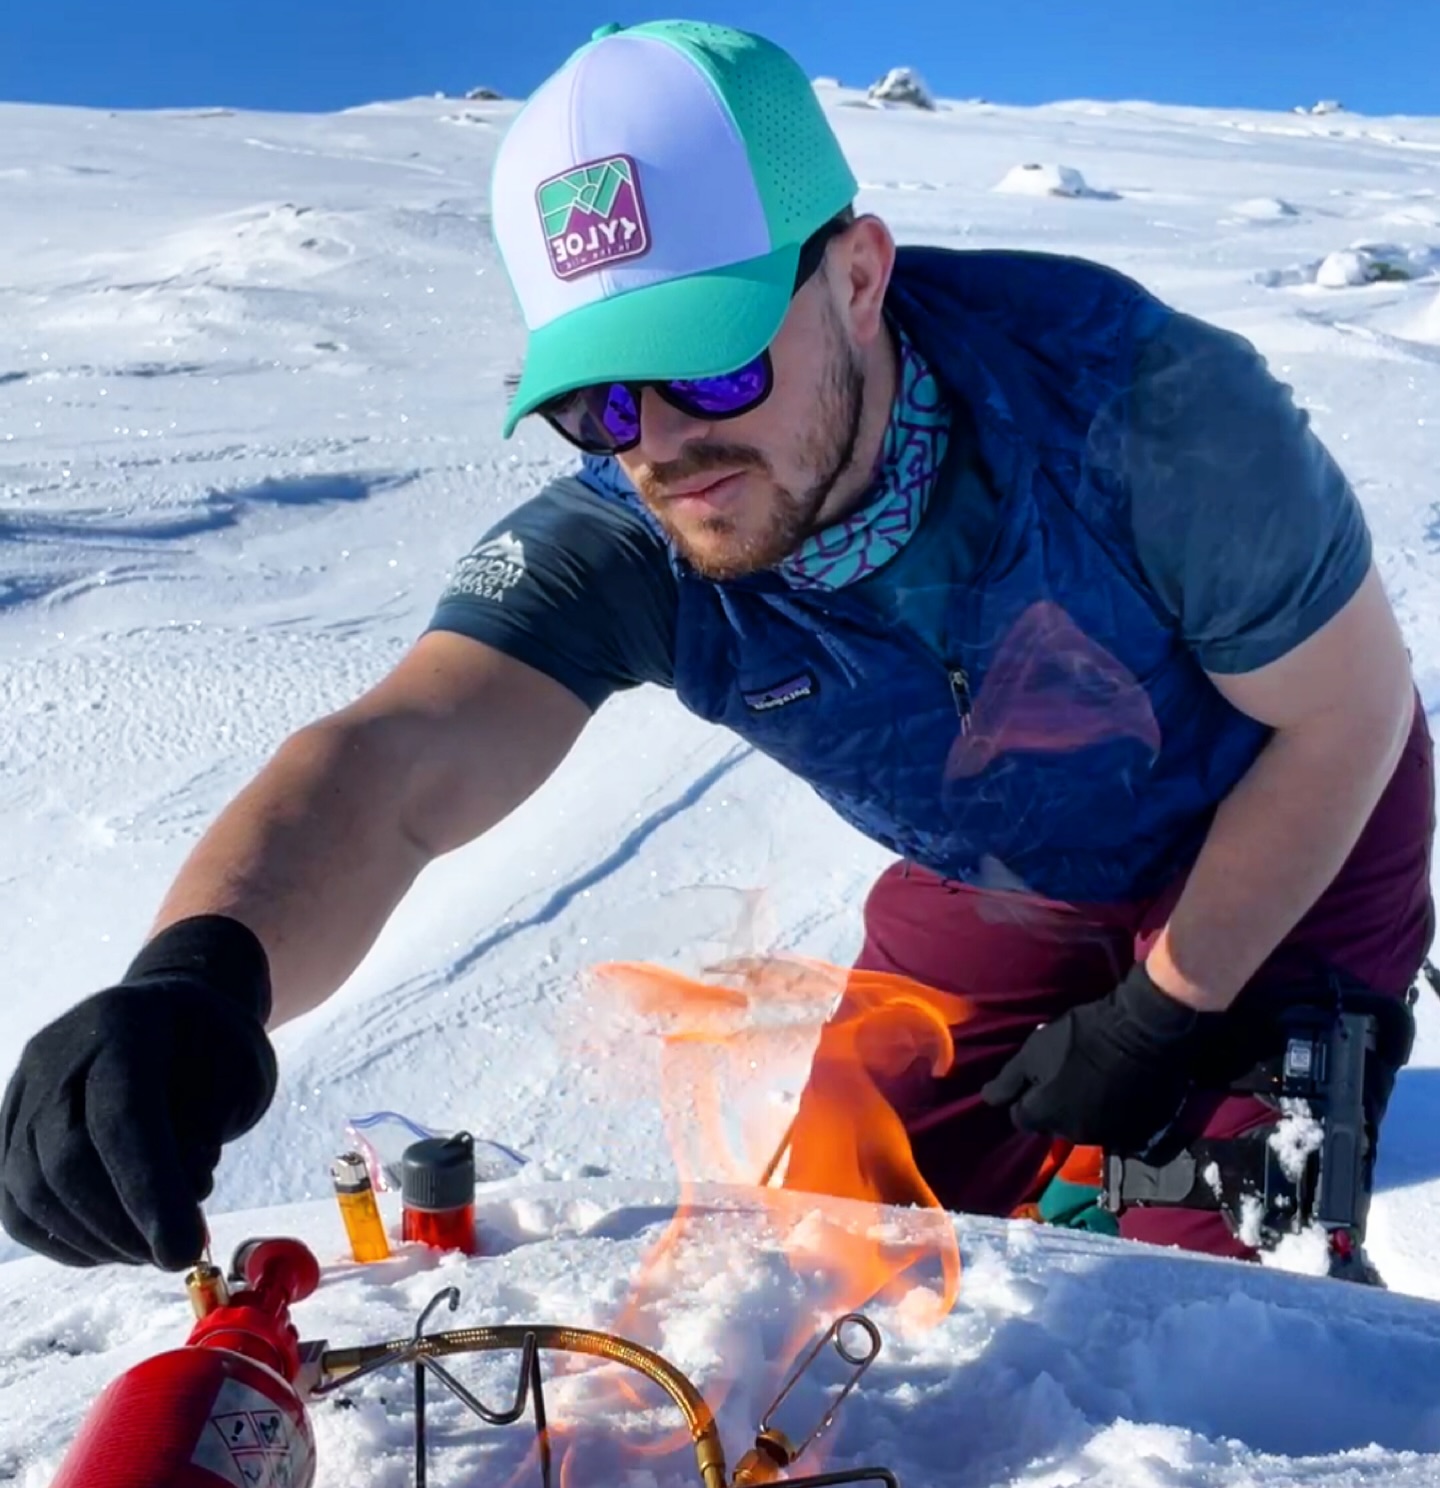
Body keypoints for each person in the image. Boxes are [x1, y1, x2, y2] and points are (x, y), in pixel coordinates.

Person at [0, 20, 1430, 1274]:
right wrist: (197, 982)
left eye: (714, 362)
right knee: (822, 1258)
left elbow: (1345, 718)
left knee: (1218, 1312)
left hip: (1288, 824)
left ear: (858, 275)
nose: (666, 444)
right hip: (1004, 871)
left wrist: (1163, 1013)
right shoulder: (633, 542)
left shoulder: (1142, 407)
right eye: (601, 403)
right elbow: (395, 765)